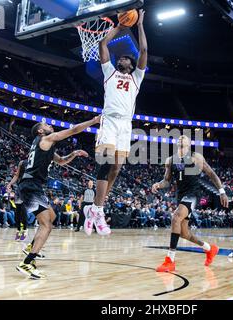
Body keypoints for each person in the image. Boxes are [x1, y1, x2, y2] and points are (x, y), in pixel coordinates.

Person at [83, 9, 147, 236]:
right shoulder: (109, 71)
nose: (121, 59)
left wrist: (139, 25)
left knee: (117, 168)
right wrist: (119, 28)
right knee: (107, 162)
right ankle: (98, 210)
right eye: (119, 58)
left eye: (125, 58)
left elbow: (144, 50)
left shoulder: (136, 78)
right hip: (109, 122)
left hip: (126, 126)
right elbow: (102, 45)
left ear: (131, 64)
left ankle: (95, 209)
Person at [16, 116, 98, 279]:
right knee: (46, 225)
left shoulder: (44, 146)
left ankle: (31, 247)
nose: (50, 125)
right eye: (46, 125)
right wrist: (94, 121)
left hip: (32, 186)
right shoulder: (45, 138)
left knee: (51, 217)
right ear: (40, 131)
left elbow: (61, 161)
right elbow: (74, 130)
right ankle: (28, 262)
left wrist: (74, 153)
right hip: (30, 186)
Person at [151, 135, 229, 272]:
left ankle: (170, 261)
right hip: (181, 196)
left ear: (188, 144)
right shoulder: (170, 160)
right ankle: (209, 249)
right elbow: (167, 181)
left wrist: (222, 191)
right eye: (179, 137)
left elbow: (211, 174)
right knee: (184, 233)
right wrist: (158, 184)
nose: (181, 137)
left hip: (193, 195)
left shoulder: (195, 157)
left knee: (175, 217)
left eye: (184, 137)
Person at [6, 159, 28, 241]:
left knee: (23, 212)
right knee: (17, 213)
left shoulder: (35, 164)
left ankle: (25, 230)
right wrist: (10, 183)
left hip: (28, 190)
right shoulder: (22, 163)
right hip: (19, 190)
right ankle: (18, 230)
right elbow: (16, 175)